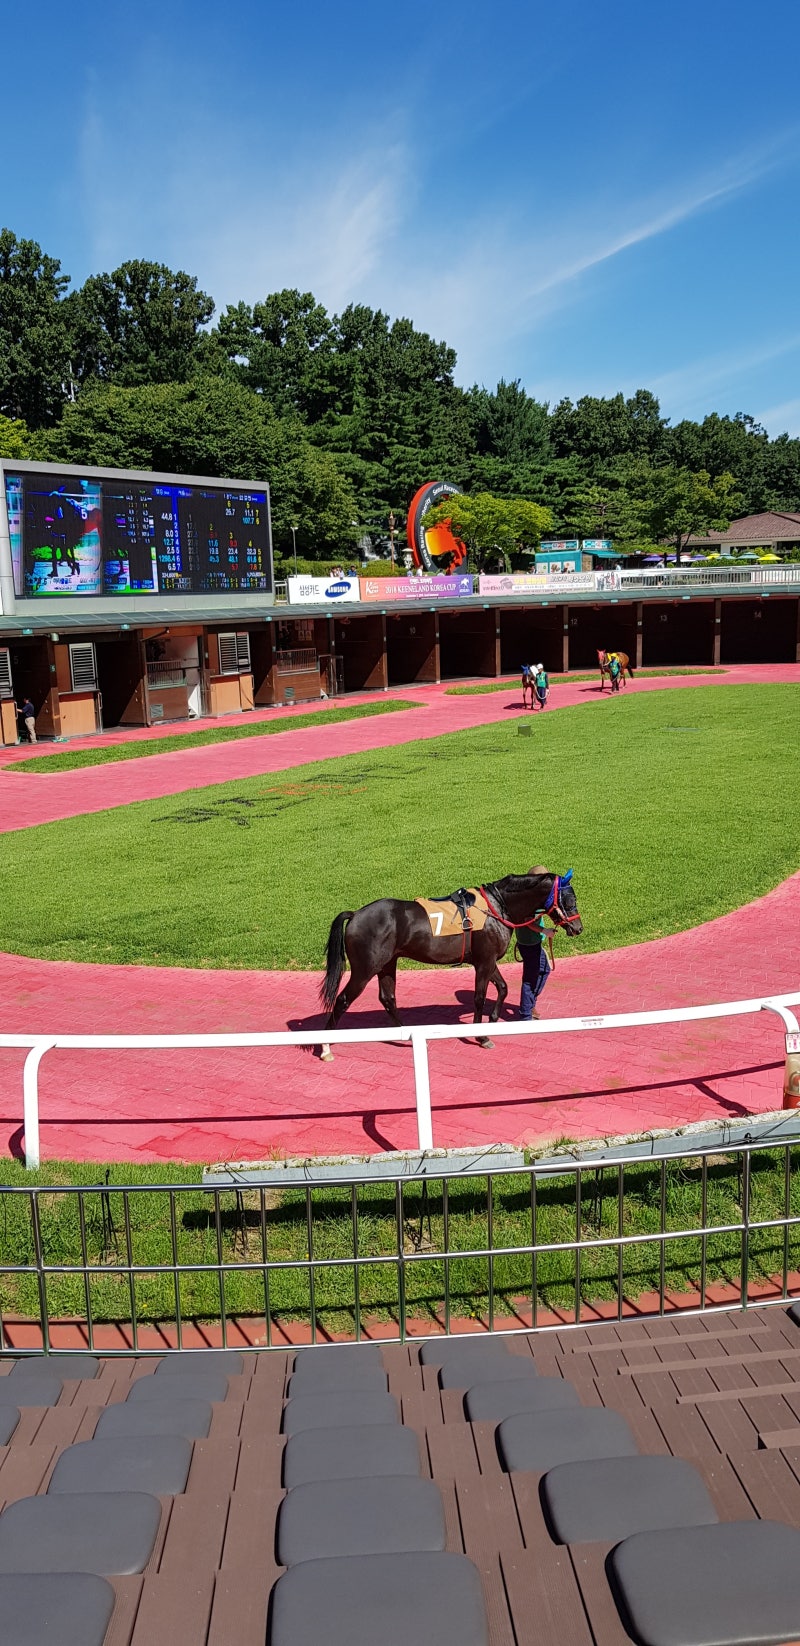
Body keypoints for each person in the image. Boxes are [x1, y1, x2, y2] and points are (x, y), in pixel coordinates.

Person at [517, 866, 551, 1020]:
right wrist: (545, 931)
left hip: (533, 942)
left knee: (544, 969)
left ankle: (530, 1004)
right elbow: (528, 922)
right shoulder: (528, 899)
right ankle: (525, 1014)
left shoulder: (533, 895)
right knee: (530, 977)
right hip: (529, 944)